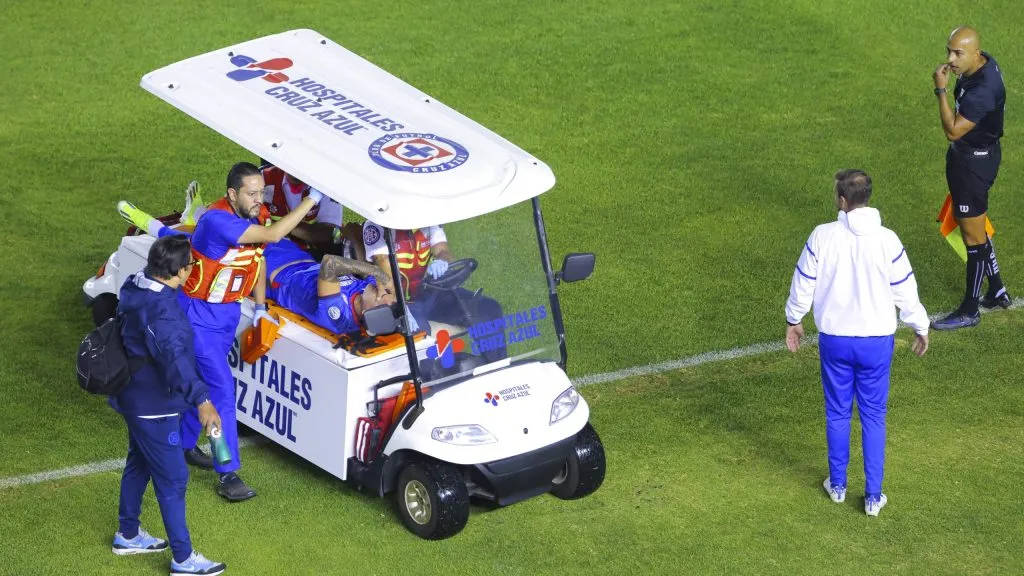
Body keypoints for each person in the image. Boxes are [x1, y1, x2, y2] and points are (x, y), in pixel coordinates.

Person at [123, 161, 325, 501]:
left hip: (226, 314)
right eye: (252, 193)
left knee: (201, 385)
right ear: (232, 194)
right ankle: (227, 472)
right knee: (221, 393)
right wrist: (312, 199)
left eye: (262, 192)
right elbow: (274, 236)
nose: (259, 199)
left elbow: (257, 261)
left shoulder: (253, 216)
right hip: (198, 316)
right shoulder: (218, 221)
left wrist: (260, 309)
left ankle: (187, 445)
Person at [785, 170, 930, 517]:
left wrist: (795, 320)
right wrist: (920, 325)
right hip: (876, 342)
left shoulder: (822, 236)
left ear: (842, 200)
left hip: (835, 340)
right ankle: (872, 497)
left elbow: (804, 281)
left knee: (837, 411)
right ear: (868, 197)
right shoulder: (888, 240)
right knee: (874, 416)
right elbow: (905, 289)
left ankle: (837, 486)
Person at [111, 235, 226, 576]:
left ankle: (127, 534)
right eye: (190, 264)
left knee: (139, 463)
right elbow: (174, 358)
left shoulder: (136, 283)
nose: (193, 268)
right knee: (174, 479)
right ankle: (182, 558)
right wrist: (203, 401)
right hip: (153, 404)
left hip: (135, 395)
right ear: (180, 271)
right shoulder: (162, 312)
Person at [932, 26, 1012, 330]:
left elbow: (952, 129)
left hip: (972, 166)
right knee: (976, 225)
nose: (950, 59)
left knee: (973, 237)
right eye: (948, 51)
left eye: (957, 53)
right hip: (975, 157)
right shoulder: (982, 64)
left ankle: (969, 310)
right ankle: (997, 290)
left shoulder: (982, 91)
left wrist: (940, 90)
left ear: (976, 54)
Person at [361, 221, 504, 362]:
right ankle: (432, 379)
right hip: (395, 301)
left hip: (427, 294)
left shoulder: (428, 219)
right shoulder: (377, 226)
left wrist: (442, 261)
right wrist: (401, 308)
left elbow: (444, 251)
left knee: (489, 309)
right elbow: (386, 274)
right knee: (418, 333)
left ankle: (496, 367)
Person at [264, 237, 412, 334]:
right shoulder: (368, 293)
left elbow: (330, 263)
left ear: (369, 314)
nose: (380, 291)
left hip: (273, 268)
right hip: (301, 258)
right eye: (386, 292)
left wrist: (375, 271)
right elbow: (352, 231)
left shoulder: (340, 317)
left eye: (382, 296)